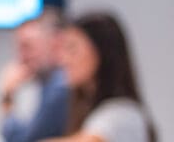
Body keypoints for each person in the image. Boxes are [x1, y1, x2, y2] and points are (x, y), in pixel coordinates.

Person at [44, 12, 157, 142]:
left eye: (72, 49)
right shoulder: (91, 113)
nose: (63, 60)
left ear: (102, 52)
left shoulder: (123, 113)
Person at [0, 8, 69, 142]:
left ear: (56, 43)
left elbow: (21, 140)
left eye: (27, 46)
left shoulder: (60, 87)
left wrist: (7, 96)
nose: (21, 57)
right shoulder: (48, 84)